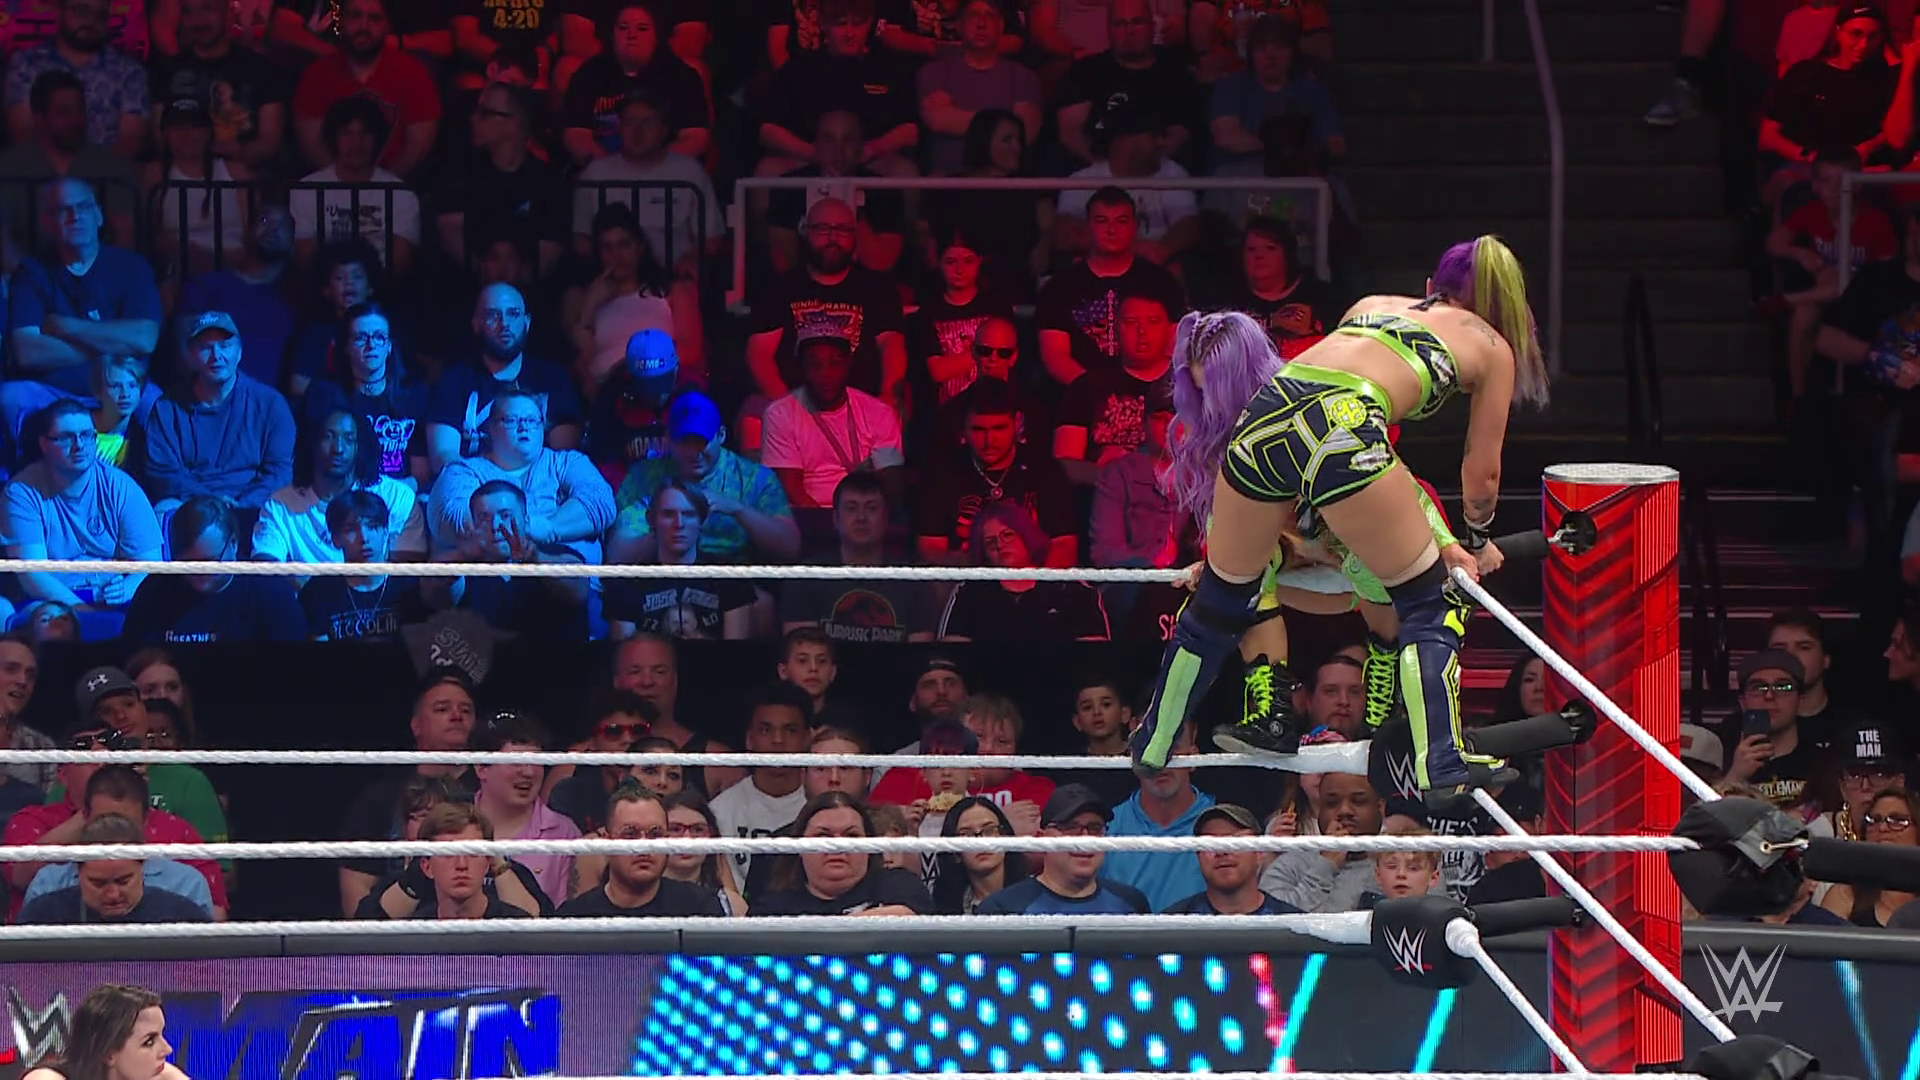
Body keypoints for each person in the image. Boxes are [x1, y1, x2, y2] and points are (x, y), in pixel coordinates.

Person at [1132, 236, 1550, 807]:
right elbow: (1482, 474)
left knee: (1220, 603)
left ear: (1431, 288)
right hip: (1343, 423)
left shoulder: (1372, 305)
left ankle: (1154, 739)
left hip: (1264, 417)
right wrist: (1475, 539)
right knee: (1432, 603)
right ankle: (1441, 760)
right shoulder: (1493, 344)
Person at [22, 983, 189, 1080]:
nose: (167, 1049)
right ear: (108, 1054)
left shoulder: (159, 1072)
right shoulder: (46, 1078)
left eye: (162, 1034)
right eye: (149, 1042)